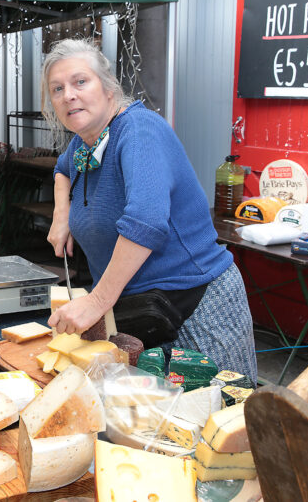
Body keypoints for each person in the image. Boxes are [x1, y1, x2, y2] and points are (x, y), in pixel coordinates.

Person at [45, 38, 257, 382]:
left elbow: (146, 223)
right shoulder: (86, 140)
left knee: (221, 418)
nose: (69, 94)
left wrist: (96, 302)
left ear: (109, 88)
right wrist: (61, 212)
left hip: (195, 309)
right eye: (58, 88)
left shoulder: (140, 131)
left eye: (80, 81)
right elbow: (62, 169)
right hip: (139, 313)